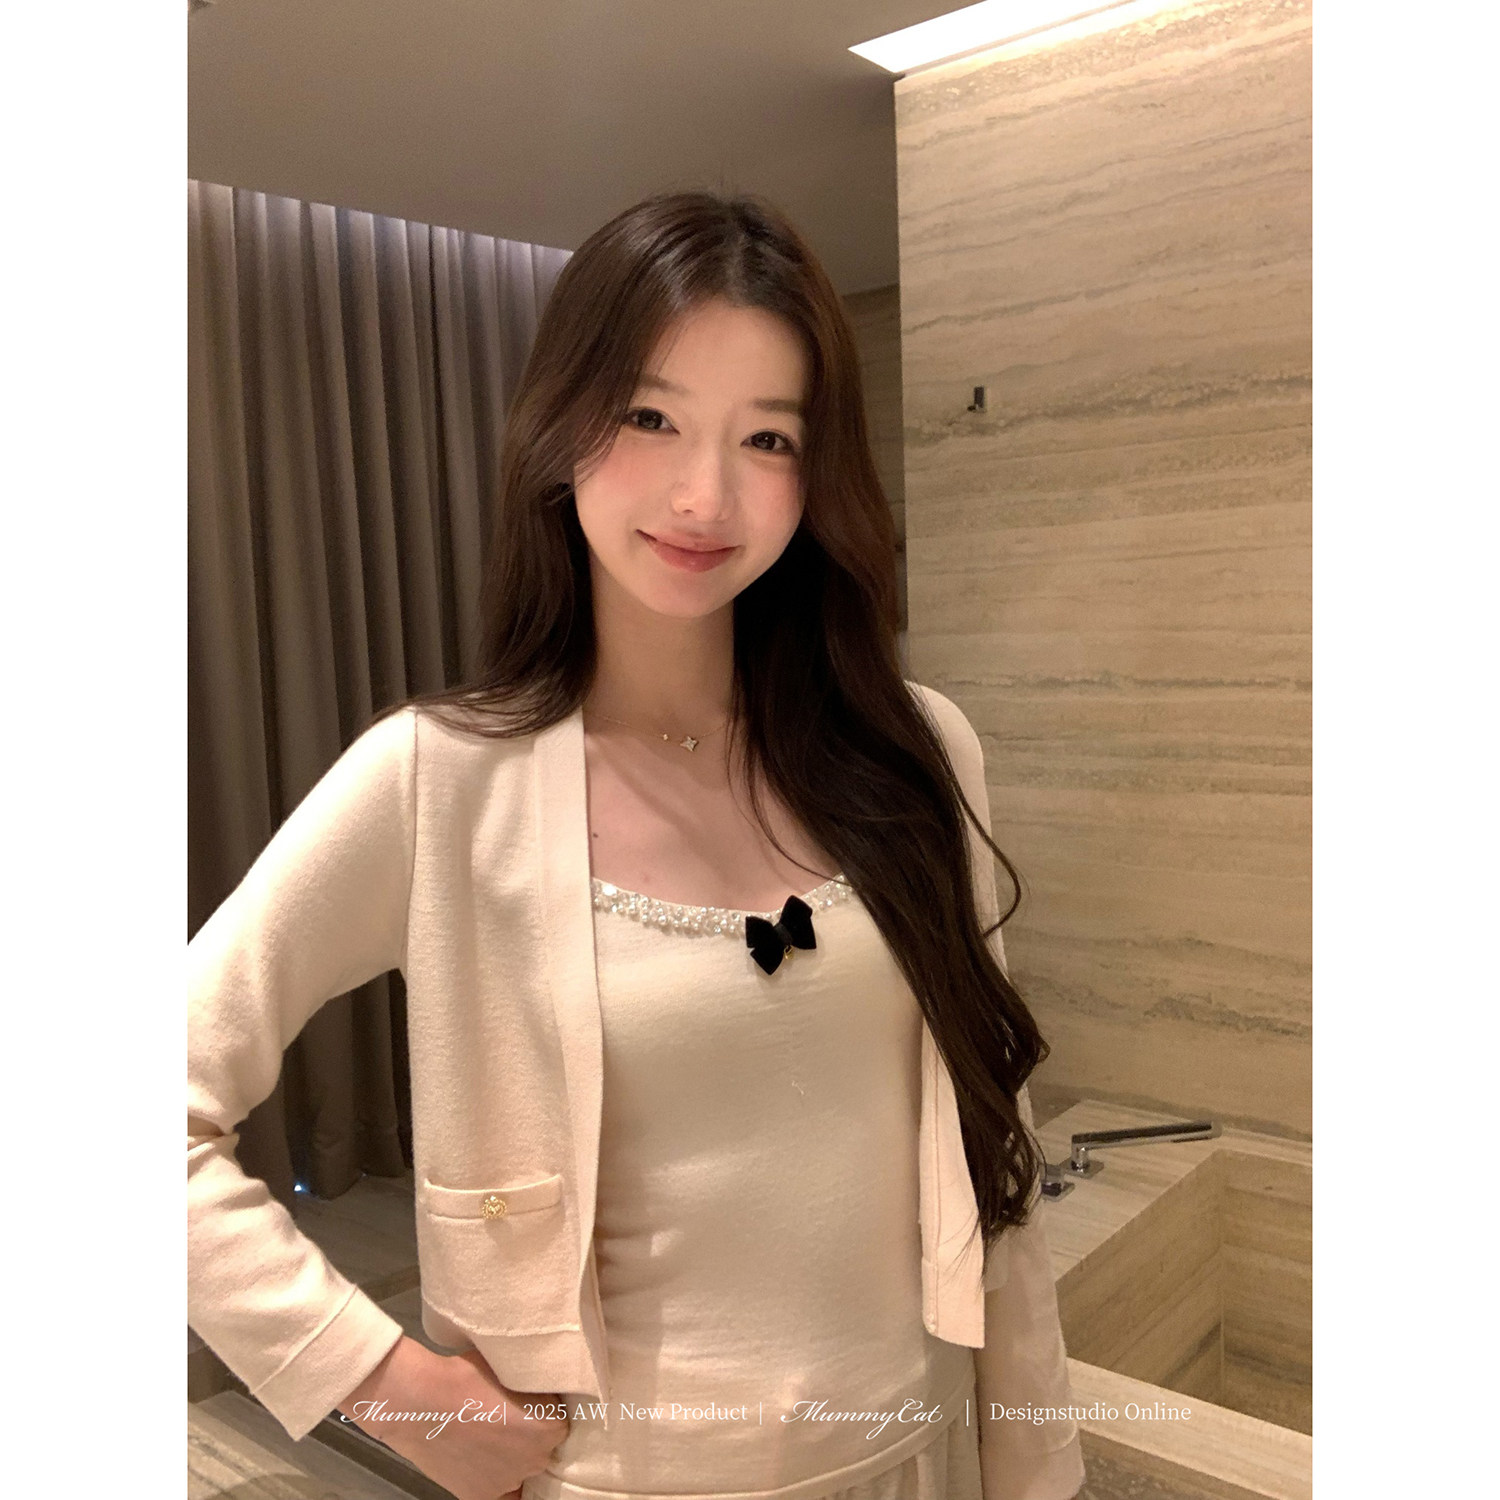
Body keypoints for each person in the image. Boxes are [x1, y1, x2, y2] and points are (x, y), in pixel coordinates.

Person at [188, 189, 1086, 1500]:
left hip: (919, 1457)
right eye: (651, 416)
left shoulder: (916, 753)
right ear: (560, 424)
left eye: (767, 438)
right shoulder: (442, 783)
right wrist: (390, 1390)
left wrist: (1038, 1468)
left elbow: (993, 1163)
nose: (704, 493)